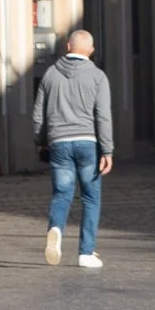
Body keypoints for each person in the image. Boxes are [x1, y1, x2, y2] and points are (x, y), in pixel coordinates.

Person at [33, 24, 112, 270]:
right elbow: (103, 116)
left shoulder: (50, 74)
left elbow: (38, 114)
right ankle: (86, 253)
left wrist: (40, 141)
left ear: (67, 47)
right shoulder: (98, 76)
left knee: (62, 194)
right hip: (88, 143)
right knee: (90, 197)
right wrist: (107, 150)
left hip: (59, 143)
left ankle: (55, 229)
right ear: (91, 50)